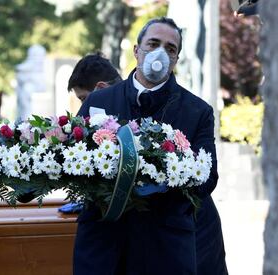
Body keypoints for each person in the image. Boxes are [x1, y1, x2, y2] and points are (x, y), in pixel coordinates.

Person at [75, 17, 228, 275]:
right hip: (103, 244)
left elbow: (208, 177)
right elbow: (74, 158)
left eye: (170, 49)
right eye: (153, 43)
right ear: (137, 50)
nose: (161, 53)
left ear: (176, 59)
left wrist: (164, 177)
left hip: (165, 246)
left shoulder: (197, 111)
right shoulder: (99, 101)